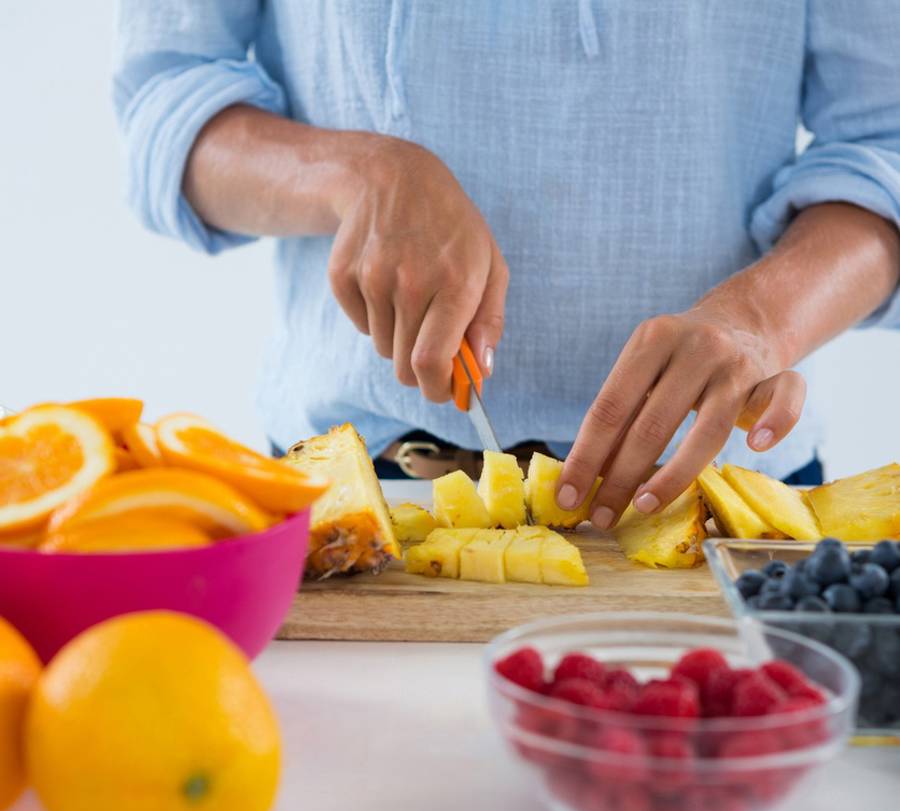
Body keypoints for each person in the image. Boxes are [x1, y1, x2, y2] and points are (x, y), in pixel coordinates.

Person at [114, 2, 900, 530]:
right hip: (359, 493)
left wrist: (760, 320)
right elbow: (166, 102)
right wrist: (360, 174)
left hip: (717, 498)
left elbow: (887, 144)